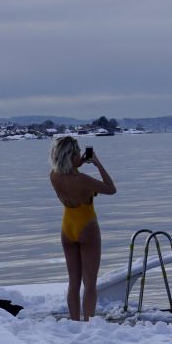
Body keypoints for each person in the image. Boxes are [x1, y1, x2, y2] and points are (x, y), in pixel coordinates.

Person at [49, 136, 116, 321]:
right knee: (90, 283)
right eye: (78, 152)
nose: (81, 154)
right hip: (87, 226)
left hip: (67, 227)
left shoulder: (53, 176)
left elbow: (68, 179)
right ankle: (88, 322)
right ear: (71, 155)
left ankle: (74, 321)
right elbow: (111, 188)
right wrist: (97, 163)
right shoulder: (82, 179)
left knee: (73, 281)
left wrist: (76, 164)